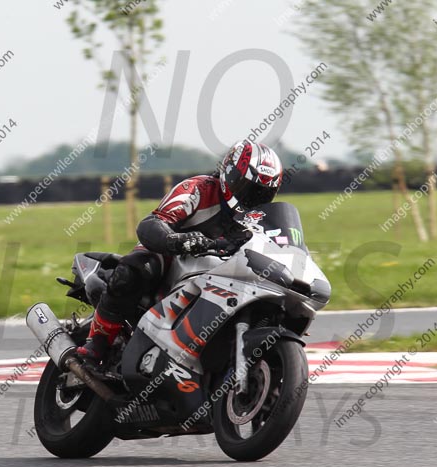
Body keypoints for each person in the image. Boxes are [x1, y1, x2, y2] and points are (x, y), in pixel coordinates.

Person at [76, 140, 284, 364]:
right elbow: (152, 223)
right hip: (174, 259)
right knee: (137, 268)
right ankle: (98, 342)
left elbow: (276, 243)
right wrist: (176, 240)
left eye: (263, 194)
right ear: (231, 174)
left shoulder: (259, 219)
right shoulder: (198, 189)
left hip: (224, 274)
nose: (253, 198)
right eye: (249, 188)